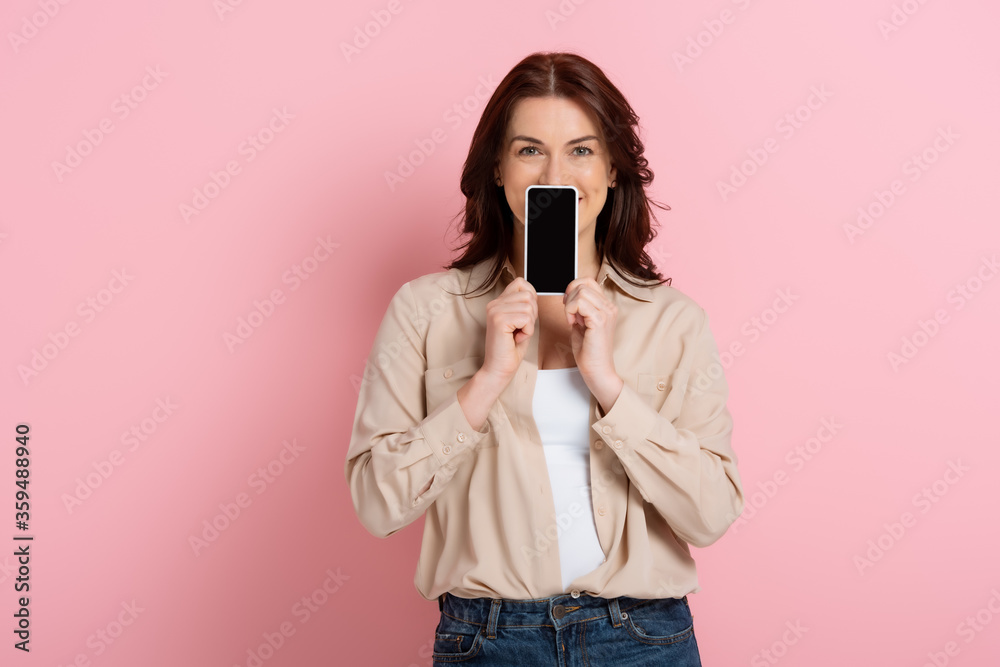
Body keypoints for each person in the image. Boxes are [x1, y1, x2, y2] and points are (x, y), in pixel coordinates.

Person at [345, 51, 744, 666]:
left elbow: (711, 515)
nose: (555, 175)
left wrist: (609, 387)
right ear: (498, 168)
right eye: (530, 149)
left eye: (581, 150)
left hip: (641, 639)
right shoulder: (424, 310)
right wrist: (486, 382)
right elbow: (377, 505)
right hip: (489, 640)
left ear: (613, 169)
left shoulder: (674, 321)